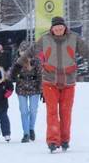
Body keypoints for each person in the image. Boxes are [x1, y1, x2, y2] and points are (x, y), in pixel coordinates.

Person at [19, 16, 89, 152]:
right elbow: (31, 51)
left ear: (65, 28)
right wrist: (18, 64)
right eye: (56, 28)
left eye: (61, 28)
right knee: (52, 112)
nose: (58, 30)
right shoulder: (45, 39)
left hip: (68, 82)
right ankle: (52, 140)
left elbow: (86, 52)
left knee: (65, 112)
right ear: (52, 29)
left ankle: (64, 139)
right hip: (50, 81)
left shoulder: (74, 38)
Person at [9, 41, 42, 143]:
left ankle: (31, 128)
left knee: (33, 110)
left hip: (34, 88)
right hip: (21, 88)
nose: (23, 53)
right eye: (21, 51)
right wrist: (12, 77)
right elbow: (12, 75)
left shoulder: (36, 61)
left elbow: (41, 75)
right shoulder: (17, 61)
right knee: (24, 111)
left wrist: (41, 89)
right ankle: (26, 133)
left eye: (25, 51)